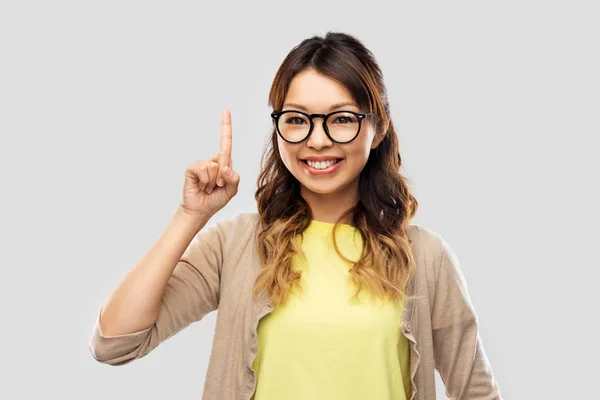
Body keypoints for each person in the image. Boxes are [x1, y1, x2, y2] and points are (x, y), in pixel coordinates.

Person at [88, 32, 503, 400]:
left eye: (341, 119)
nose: (317, 141)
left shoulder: (425, 257)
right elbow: (115, 343)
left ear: (378, 129)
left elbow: (475, 392)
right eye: (297, 120)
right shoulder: (235, 245)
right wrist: (189, 215)